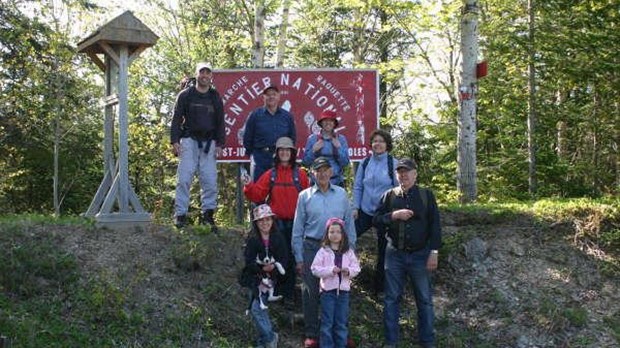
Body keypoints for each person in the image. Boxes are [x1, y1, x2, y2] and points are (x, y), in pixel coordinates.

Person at [373, 158, 442, 348]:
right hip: (394, 254)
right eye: (400, 172)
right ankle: (391, 342)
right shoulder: (389, 196)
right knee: (391, 300)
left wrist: (434, 251)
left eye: (407, 171)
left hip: (421, 254)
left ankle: (427, 341)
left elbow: (435, 225)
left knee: (425, 300)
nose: (403, 175)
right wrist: (393, 216)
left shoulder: (426, 195)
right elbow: (376, 220)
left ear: (415, 174)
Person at [291, 157, 356, 348]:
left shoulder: (342, 194)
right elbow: (298, 228)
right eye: (319, 170)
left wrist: (351, 250)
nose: (323, 173)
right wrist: (299, 257)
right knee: (310, 291)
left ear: (332, 172)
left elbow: (349, 225)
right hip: (312, 247)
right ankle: (311, 333)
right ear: (313, 173)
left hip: (338, 249)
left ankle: (341, 334)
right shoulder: (304, 196)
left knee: (338, 290)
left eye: (326, 169)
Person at [243, 136, 311, 300]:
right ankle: (276, 292)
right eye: (282, 150)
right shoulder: (270, 174)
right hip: (277, 224)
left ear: (292, 153)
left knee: (294, 258)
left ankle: (288, 296)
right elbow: (257, 194)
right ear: (277, 153)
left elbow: (309, 199)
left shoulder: (300, 175)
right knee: (279, 259)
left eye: (288, 150)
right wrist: (248, 185)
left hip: (297, 224)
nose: (285, 153)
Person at [170, 62, 225, 231]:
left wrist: (220, 143)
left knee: (209, 180)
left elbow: (220, 121)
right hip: (189, 140)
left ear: (211, 76)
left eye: (208, 73)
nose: (205, 76)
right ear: (197, 74)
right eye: (202, 72)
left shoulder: (215, 97)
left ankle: (208, 214)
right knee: (184, 178)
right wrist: (175, 141)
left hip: (209, 142)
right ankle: (180, 215)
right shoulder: (185, 95)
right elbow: (176, 118)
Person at [351, 129, 398, 294]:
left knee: (384, 249)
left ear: (387, 145)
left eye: (381, 141)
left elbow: (398, 190)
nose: (377, 144)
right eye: (375, 141)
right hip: (364, 211)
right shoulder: (365, 162)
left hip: (384, 214)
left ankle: (380, 289)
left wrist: (394, 212)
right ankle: (340, 278)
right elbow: (357, 186)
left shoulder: (394, 163)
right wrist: (355, 207)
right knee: (346, 237)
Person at [240, 204, 288, 348]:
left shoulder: (278, 237)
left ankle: (269, 337)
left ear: (272, 220)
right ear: (256, 223)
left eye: (267, 219)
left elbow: (284, 258)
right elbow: (248, 261)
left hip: (271, 279)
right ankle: (265, 340)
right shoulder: (253, 239)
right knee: (259, 309)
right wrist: (261, 268)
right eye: (261, 220)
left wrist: (274, 267)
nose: (265, 223)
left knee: (256, 308)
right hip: (255, 278)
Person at [311, 218, 361, 348]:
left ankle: (340, 344)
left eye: (338, 232)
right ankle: (326, 345)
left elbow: (356, 268)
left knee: (341, 322)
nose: (335, 234)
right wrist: (330, 270)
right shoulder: (323, 251)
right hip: (328, 292)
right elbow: (314, 269)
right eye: (331, 231)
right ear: (327, 234)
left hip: (343, 293)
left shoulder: (348, 252)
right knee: (327, 322)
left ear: (343, 234)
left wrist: (348, 271)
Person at [243, 85, 296, 181]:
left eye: (274, 94)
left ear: (279, 97)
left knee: (279, 190)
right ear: (263, 97)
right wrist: (254, 155)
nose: (271, 97)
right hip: (260, 158)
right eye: (268, 95)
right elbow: (247, 138)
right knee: (258, 190)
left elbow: (292, 138)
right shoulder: (255, 115)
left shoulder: (287, 116)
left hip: (281, 158)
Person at [302, 110, 350, 187]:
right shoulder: (312, 139)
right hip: (316, 183)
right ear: (321, 123)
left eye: (331, 120)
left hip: (336, 182)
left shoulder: (341, 139)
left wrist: (339, 148)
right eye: (325, 120)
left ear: (334, 123)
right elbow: (305, 162)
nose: (328, 123)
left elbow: (345, 163)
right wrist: (313, 150)